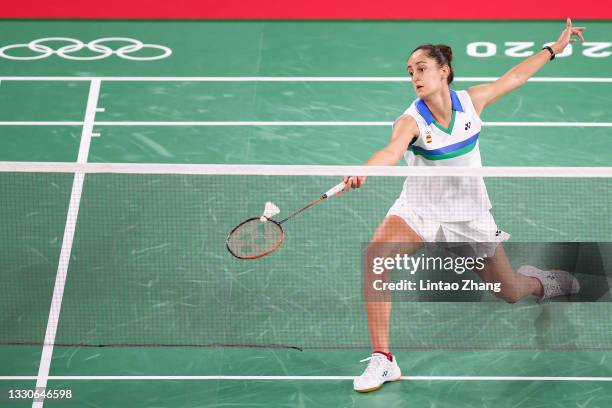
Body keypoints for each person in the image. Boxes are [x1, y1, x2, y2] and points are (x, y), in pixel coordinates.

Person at [344, 18, 586, 393]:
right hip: (419, 211)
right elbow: (390, 152)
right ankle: (383, 358)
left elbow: (515, 78)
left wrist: (554, 48)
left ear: (445, 71)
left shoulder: (472, 102)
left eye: (422, 68)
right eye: (411, 72)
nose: (415, 77)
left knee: (509, 292)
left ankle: (543, 281)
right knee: (376, 257)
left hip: (469, 216)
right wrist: (364, 171)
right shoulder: (411, 121)